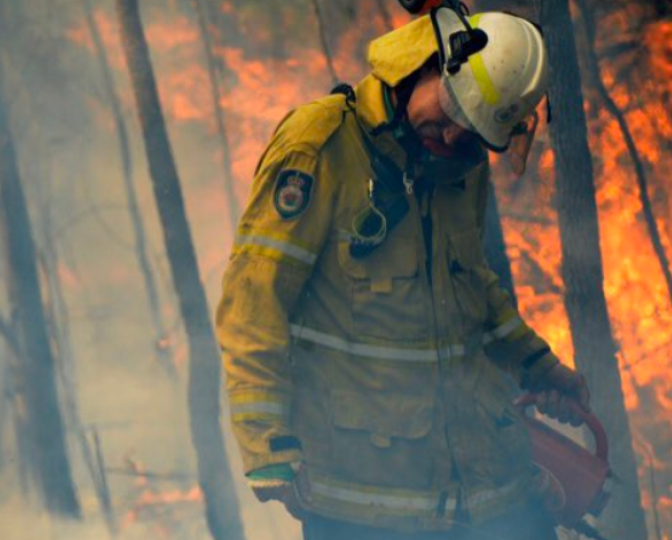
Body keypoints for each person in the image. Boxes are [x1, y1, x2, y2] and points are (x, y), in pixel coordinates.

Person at [216, 9, 590, 540]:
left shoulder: (460, 165)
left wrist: (535, 363)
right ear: (430, 65)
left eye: (472, 132)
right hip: (365, 498)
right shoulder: (321, 144)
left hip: (481, 485)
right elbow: (254, 298)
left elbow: (470, 282)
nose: (452, 135)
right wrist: (266, 442)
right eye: (451, 109)